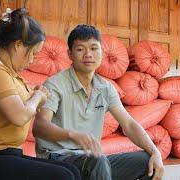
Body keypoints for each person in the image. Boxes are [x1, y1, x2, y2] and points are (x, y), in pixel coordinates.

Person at [33, 24, 164, 180]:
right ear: (70, 54)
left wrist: (155, 152)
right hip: (57, 160)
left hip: (92, 159)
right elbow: (39, 127)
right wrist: (71, 135)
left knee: (146, 162)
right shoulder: (56, 84)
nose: (88, 54)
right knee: (97, 162)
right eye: (80, 49)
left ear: (101, 53)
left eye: (94, 48)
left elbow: (128, 124)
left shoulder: (105, 88)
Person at [0, 8, 80, 180]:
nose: (32, 60)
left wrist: (37, 98)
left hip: (4, 154)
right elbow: (19, 116)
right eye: (33, 53)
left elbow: (22, 107)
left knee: (72, 171)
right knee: (64, 176)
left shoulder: (10, 73)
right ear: (18, 45)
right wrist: (37, 97)